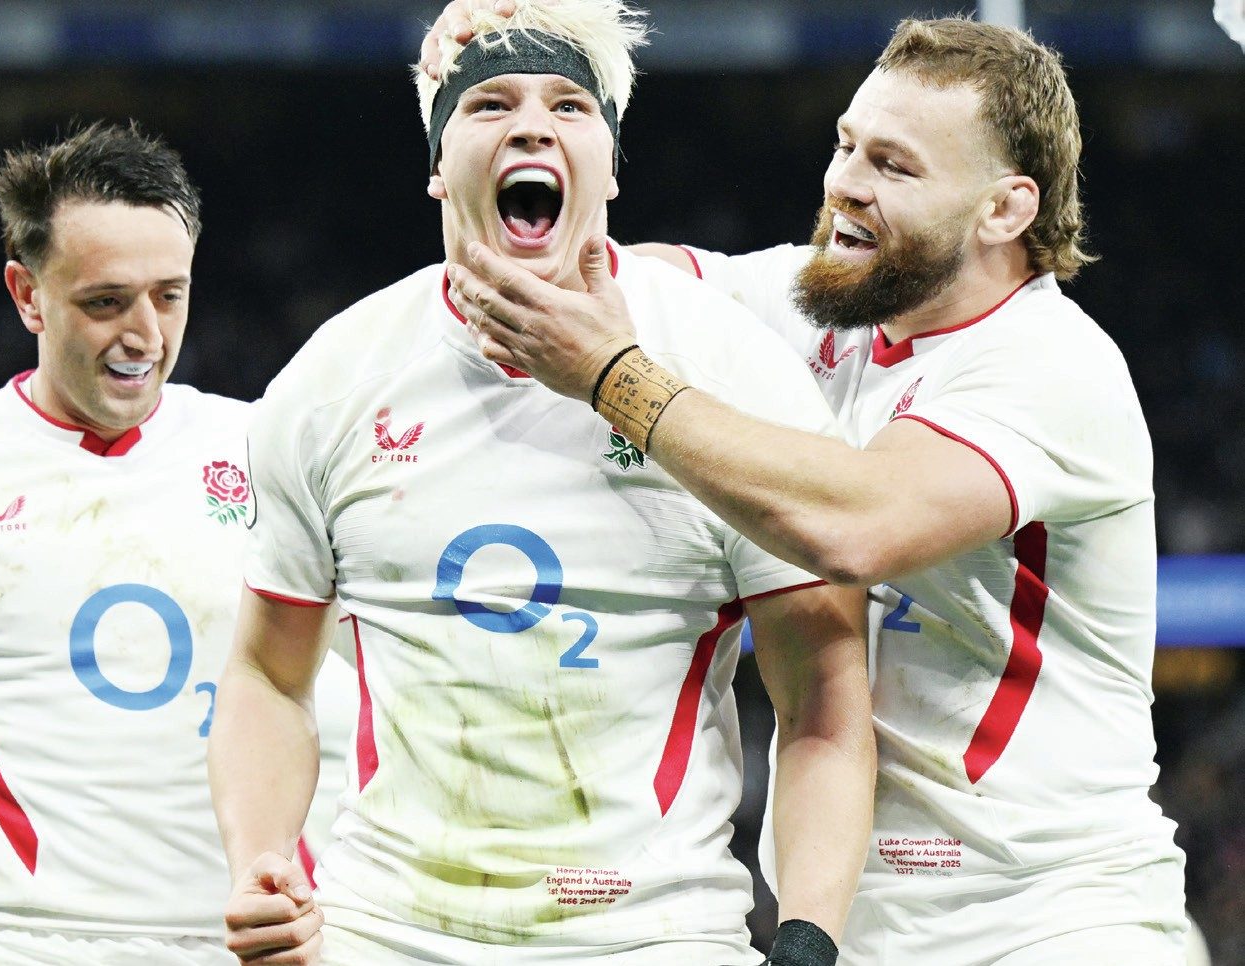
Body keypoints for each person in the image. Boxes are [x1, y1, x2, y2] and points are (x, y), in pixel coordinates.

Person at [428, 9, 1190, 964]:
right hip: (853, 923)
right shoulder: (825, 300)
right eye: (845, 144)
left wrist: (614, 378)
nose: (843, 184)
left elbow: (856, 522)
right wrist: (512, 69)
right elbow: (611, 274)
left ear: (1005, 209)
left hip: (1049, 918)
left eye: (894, 166)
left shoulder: (1050, 363)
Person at [208, 2, 875, 964]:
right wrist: (260, 858)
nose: (530, 125)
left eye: (569, 104)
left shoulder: (730, 372)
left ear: (608, 162)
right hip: (389, 935)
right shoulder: (331, 382)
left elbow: (820, 696)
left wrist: (808, 935)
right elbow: (268, 673)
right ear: (438, 166)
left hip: (655, 935)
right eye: (488, 106)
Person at [0, 121, 356, 965]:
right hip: (22, 948)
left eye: (169, 295)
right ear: (27, 294)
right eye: (105, 301)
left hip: (262, 949)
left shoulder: (276, 452)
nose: (144, 334)